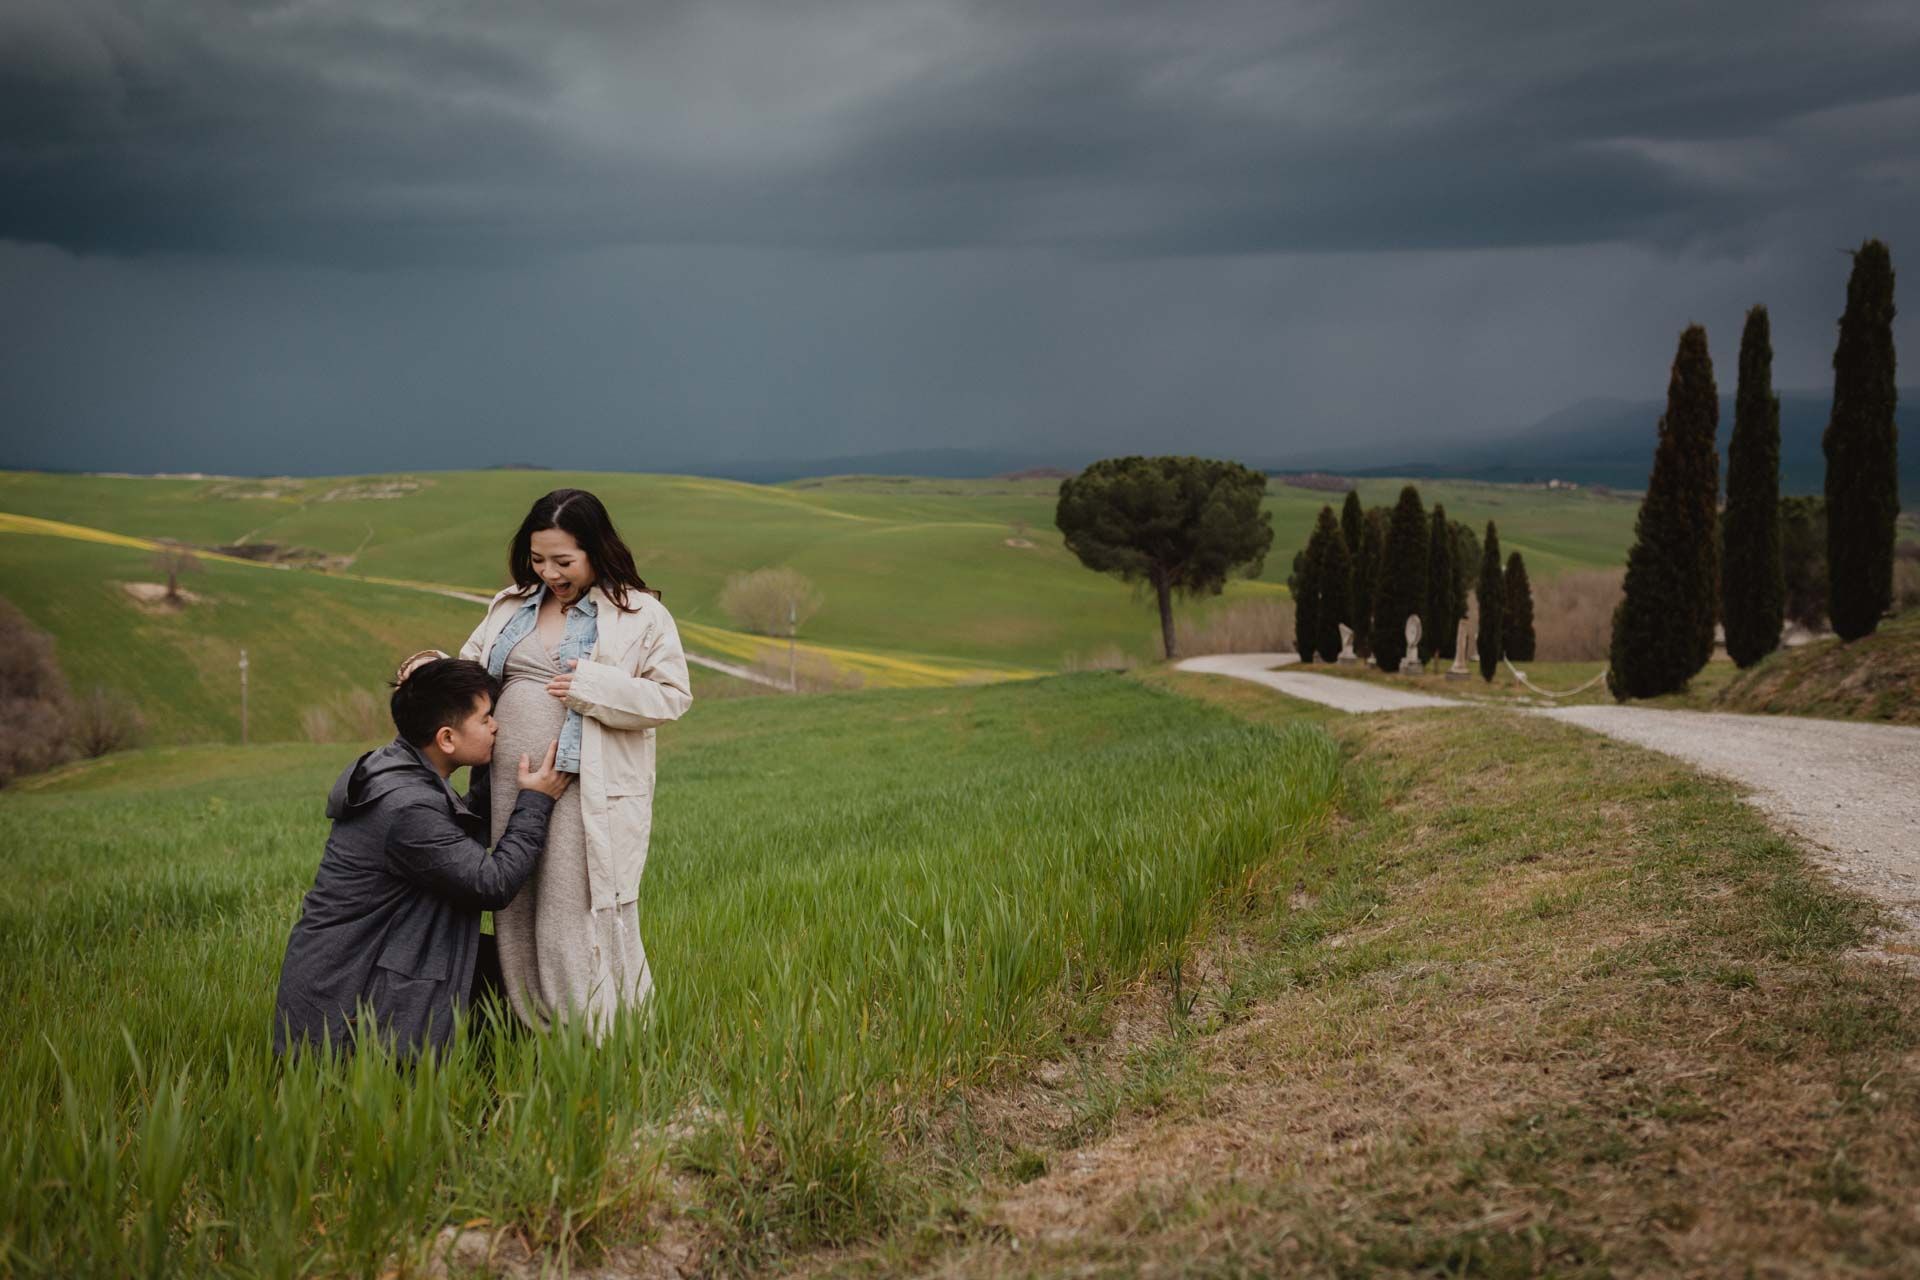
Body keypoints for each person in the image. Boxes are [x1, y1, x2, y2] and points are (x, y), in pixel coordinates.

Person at [459, 488, 693, 1034]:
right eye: (538, 559)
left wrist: (593, 686)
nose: (549, 573)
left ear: (595, 550)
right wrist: (428, 666)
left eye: (563, 561)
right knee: (514, 904)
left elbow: (671, 697)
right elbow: (468, 669)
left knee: (573, 908)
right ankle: (533, 1028)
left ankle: (597, 1032)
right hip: (510, 784)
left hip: (586, 787)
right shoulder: (512, 604)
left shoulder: (639, 615)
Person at [271, 657, 571, 1058]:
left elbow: (452, 839)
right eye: (486, 720)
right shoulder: (405, 806)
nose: (496, 726)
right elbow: (491, 883)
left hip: (361, 967)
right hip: (346, 1009)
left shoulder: (398, 766)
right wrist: (536, 800)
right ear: (446, 738)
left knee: (511, 970)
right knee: (509, 983)